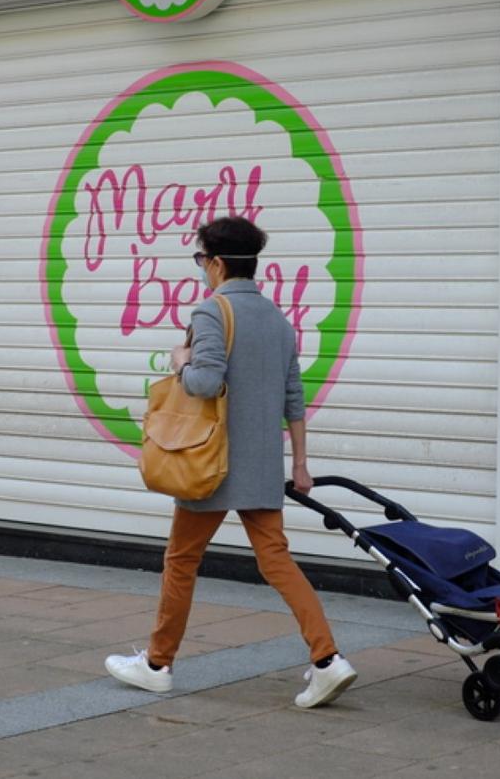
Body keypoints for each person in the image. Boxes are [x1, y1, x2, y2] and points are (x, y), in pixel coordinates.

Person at [105, 216, 357, 708]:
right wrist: (300, 464)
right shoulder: (277, 319)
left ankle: (157, 665)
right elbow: (293, 398)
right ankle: (328, 659)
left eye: (202, 260)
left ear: (217, 263)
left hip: (209, 464)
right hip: (261, 463)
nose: (202, 270)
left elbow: (204, 382)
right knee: (277, 561)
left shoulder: (210, 312)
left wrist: (180, 361)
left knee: (181, 560)